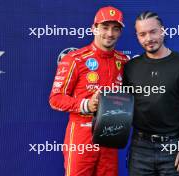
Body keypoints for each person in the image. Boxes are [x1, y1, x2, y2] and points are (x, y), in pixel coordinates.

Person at [49, 6, 128, 176]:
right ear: (94, 28)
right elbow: (55, 98)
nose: (109, 33)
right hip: (81, 134)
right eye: (105, 27)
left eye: (115, 28)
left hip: (111, 135)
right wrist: (86, 104)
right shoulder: (75, 59)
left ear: (120, 32)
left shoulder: (124, 61)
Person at [123, 11, 179, 176]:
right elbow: (122, 103)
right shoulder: (131, 67)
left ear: (163, 31)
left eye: (153, 32)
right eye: (142, 34)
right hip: (140, 148)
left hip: (173, 147)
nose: (148, 39)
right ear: (137, 36)